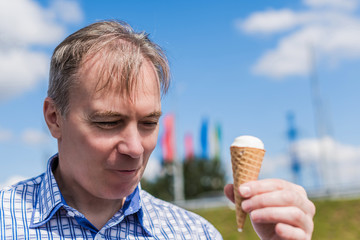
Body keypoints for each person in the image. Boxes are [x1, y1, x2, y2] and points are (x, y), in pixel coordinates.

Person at [0, 20, 315, 239]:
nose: (135, 148)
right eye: (108, 122)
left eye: (149, 123)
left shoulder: (196, 234)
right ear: (54, 117)